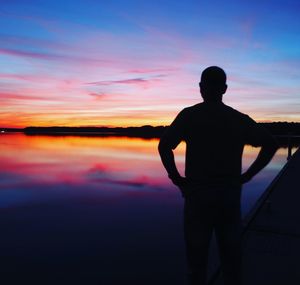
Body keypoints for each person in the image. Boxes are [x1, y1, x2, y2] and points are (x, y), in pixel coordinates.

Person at [158, 66, 278, 285]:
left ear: (201, 88)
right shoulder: (238, 119)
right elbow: (271, 144)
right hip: (228, 197)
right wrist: (248, 175)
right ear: (224, 89)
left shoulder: (189, 116)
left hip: (197, 197)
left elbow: (164, 146)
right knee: (231, 261)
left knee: (196, 265)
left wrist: (176, 178)